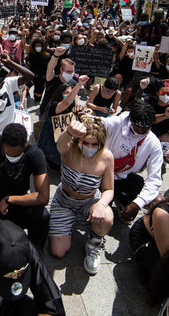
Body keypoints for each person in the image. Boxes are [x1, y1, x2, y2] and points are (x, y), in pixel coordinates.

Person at [0, 71, 50, 248]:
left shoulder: (34, 154)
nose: (10, 156)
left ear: (25, 144)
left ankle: (35, 249)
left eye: (15, 154)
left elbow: (43, 196)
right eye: (7, 152)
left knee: (43, 216)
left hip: (19, 200)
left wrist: (10, 199)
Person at [49, 117, 114, 275]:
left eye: (94, 144)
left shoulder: (106, 157)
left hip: (89, 201)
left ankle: (94, 243)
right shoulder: (69, 149)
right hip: (64, 200)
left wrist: (100, 205)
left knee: (107, 217)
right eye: (85, 143)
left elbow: (109, 189)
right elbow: (60, 144)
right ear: (79, 141)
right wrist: (69, 132)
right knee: (58, 252)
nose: (90, 148)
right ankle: (69, 222)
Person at [103, 100, 164, 223]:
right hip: (102, 176)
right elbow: (96, 123)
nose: (141, 131)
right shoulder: (116, 123)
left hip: (124, 179)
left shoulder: (153, 143)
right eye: (137, 126)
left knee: (157, 199)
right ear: (130, 121)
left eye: (145, 127)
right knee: (104, 217)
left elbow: (154, 179)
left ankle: (124, 202)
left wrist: (137, 204)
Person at [36, 77, 87, 171]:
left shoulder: (73, 108)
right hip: (50, 149)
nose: (70, 96)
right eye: (66, 93)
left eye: (71, 93)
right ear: (60, 94)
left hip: (63, 148)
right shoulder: (54, 106)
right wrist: (79, 85)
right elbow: (66, 103)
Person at [145, 84, 169, 162]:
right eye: (162, 93)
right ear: (157, 93)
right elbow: (147, 119)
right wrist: (164, 116)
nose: (165, 96)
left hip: (161, 135)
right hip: (147, 132)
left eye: (168, 94)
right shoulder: (149, 102)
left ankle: (162, 159)